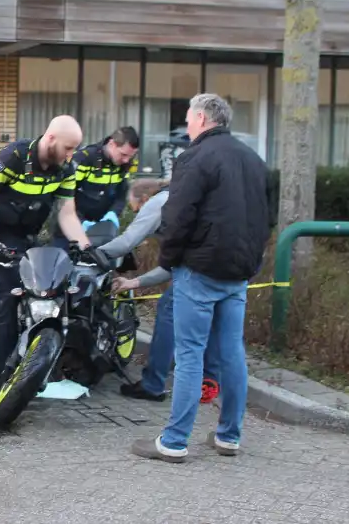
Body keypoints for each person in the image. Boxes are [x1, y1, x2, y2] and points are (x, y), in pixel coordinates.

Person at [131, 93, 270, 463]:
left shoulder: (194, 158)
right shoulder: (254, 160)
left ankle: (174, 442)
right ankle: (229, 436)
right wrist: (252, 262)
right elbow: (264, 219)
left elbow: (178, 217)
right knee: (232, 353)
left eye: (190, 119)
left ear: (203, 119)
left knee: (190, 355)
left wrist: (172, 261)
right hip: (237, 273)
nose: (187, 126)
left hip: (199, 270)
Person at [0, 115, 93, 390]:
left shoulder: (66, 168)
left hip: (28, 236)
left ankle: (38, 365)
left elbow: (67, 212)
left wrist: (85, 246)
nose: (71, 155)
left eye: (74, 149)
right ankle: (6, 380)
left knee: (45, 293)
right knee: (8, 298)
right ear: (50, 139)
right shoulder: (13, 156)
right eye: (68, 148)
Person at [95, 178, 221, 404]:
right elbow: (174, 267)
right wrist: (134, 283)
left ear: (144, 199)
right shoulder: (186, 199)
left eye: (136, 209)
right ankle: (209, 379)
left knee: (168, 308)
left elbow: (126, 243)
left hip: (200, 265)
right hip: (223, 263)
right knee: (211, 315)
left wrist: (88, 252)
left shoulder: (159, 202)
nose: (137, 215)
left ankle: (153, 385)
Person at [50, 127, 141, 250]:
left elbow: (121, 195)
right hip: (70, 231)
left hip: (102, 233)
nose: (126, 160)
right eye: (123, 154)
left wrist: (113, 214)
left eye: (130, 156)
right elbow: (63, 196)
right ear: (112, 144)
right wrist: (80, 222)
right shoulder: (84, 159)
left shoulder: (124, 164)